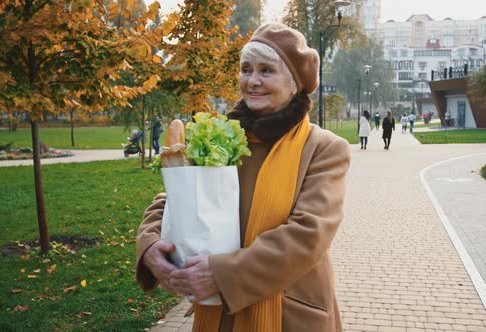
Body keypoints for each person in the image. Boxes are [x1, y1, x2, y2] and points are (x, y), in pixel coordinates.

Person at [135, 22, 351, 331]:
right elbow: (176, 199)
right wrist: (150, 246)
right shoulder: (220, 136)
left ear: (295, 84)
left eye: (266, 71)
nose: (252, 81)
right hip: (220, 315)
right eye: (246, 69)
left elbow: (308, 234)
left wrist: (221, 276)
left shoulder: (324, 149)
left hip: (288, 315)